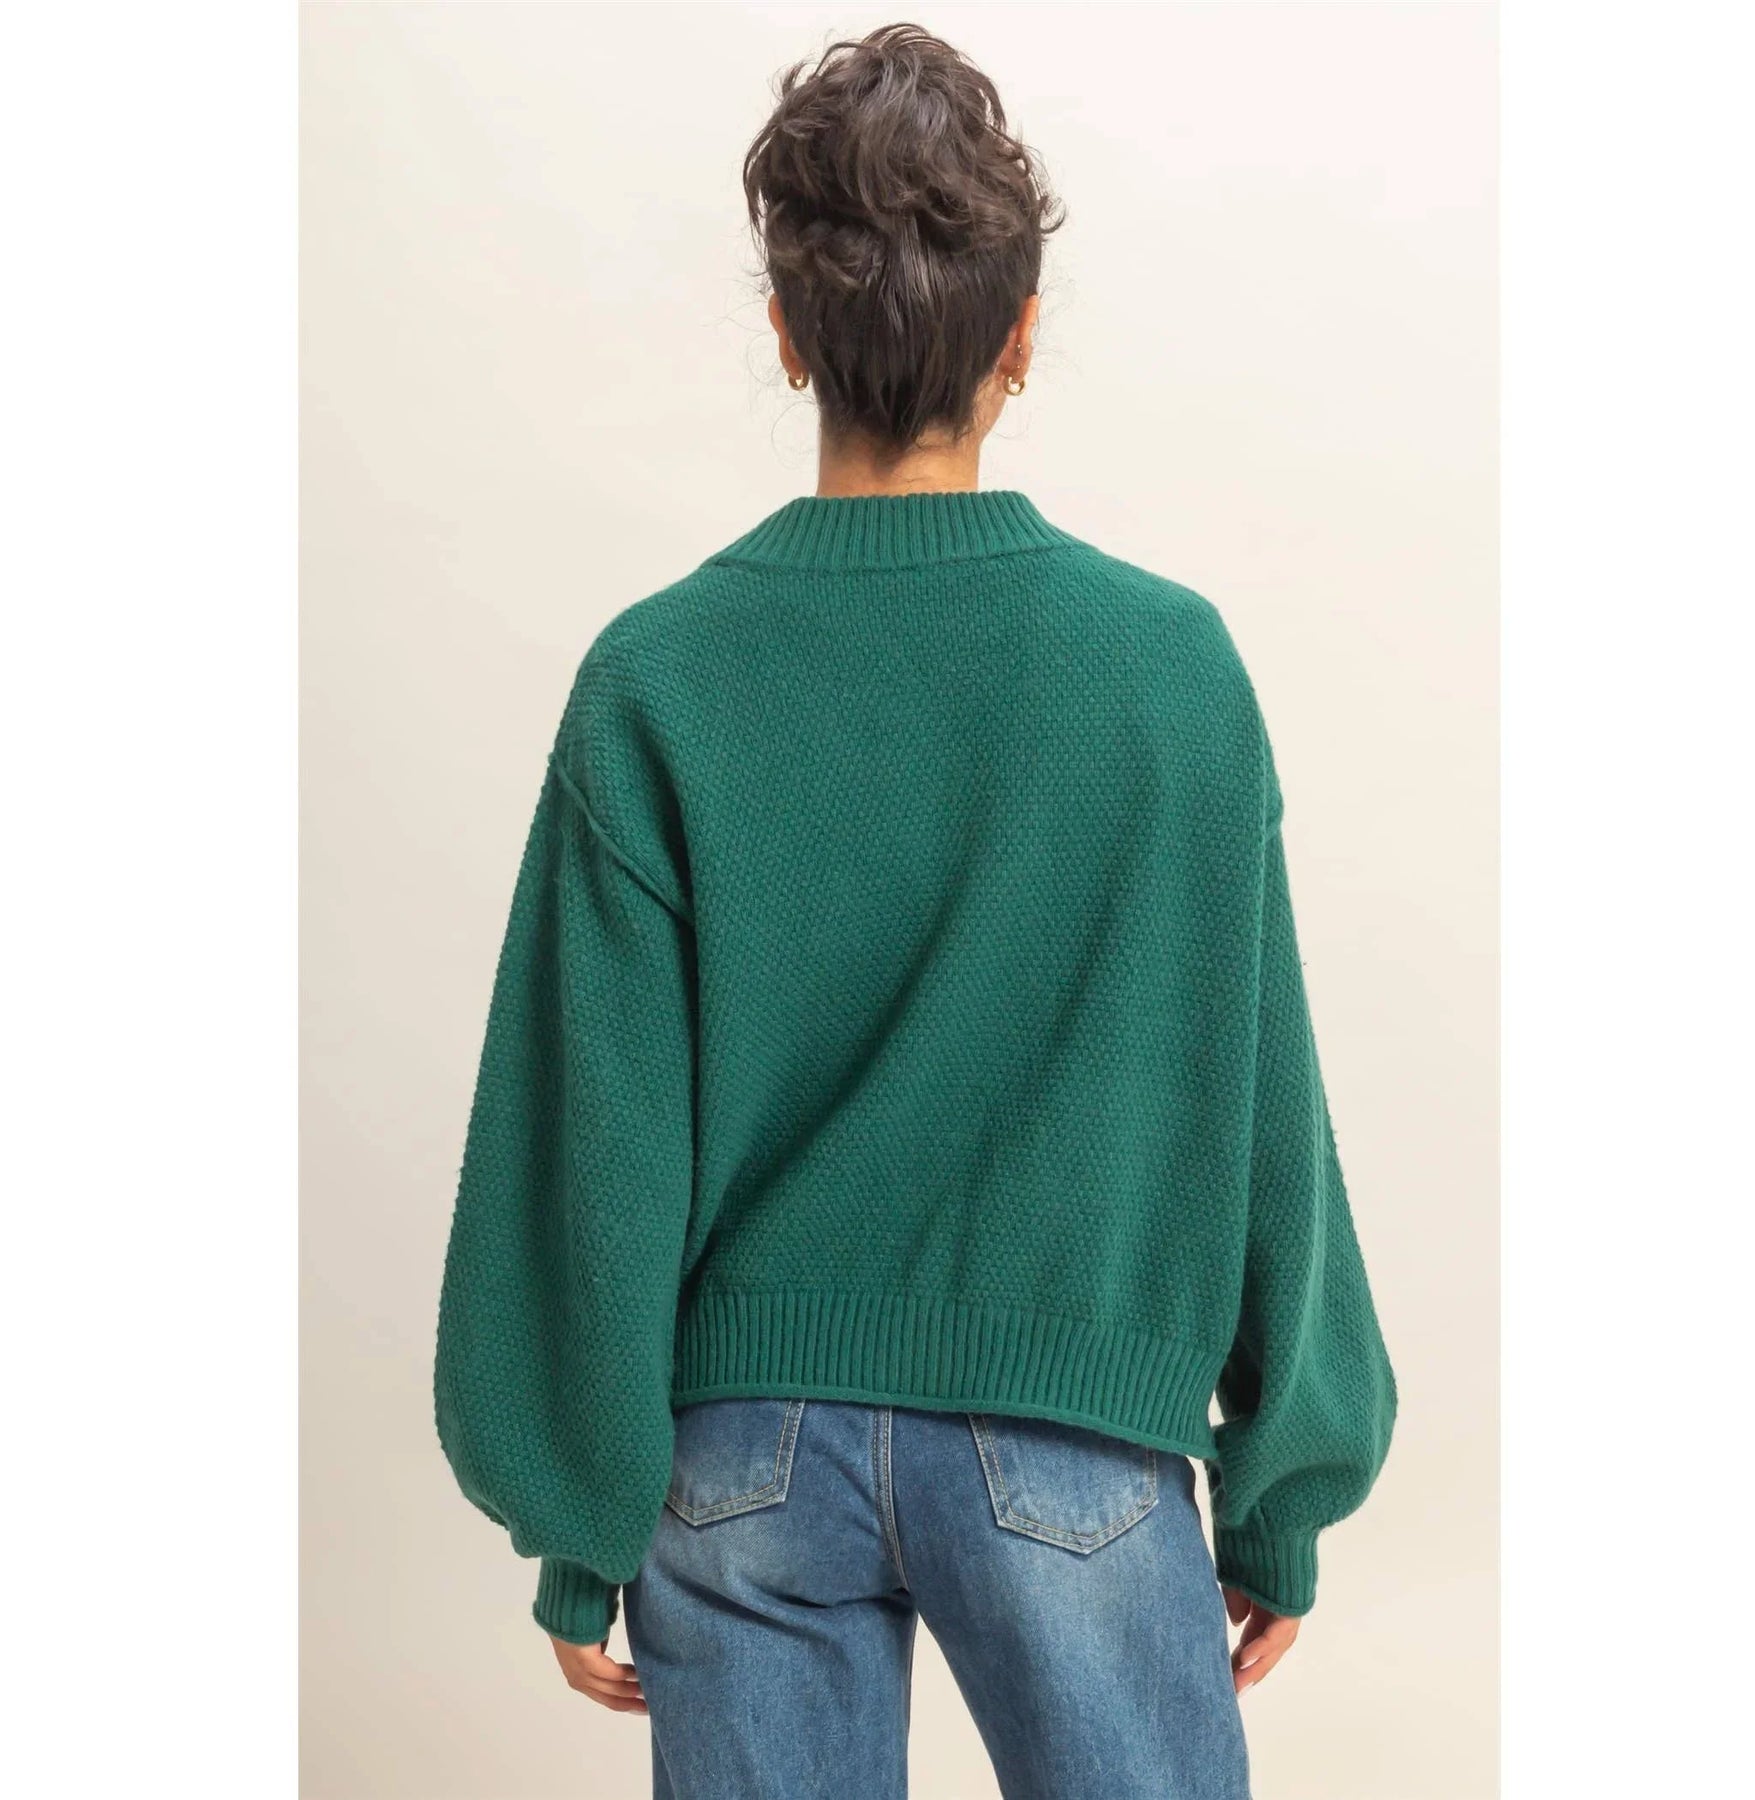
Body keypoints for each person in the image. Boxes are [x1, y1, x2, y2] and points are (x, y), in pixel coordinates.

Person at [433, 21, 1396, 1799]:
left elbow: (589, 1143)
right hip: (1076, 1437)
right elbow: (1260, 1100)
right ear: (1019, 337)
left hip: (738, 1460)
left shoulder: (658, 678)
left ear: (787, 333)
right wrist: (1286, 1483)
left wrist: (577, 1520)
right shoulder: (1172, 674)